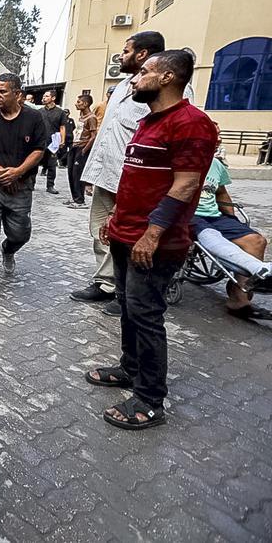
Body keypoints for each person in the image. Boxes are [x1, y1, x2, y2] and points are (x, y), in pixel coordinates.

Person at [87, 50, 217, 430]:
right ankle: (130, 369)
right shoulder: (148, 121)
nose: (134, 78)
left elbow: (186, 184)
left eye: (143, 71)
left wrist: (153, 232)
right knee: (129, 308)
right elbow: (136, 179)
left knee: (146, 315)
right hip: (126, 234)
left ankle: (149, 400)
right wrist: (115, 218)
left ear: (167, 77)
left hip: (155, 242)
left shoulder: (191, 123)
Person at [71, 32, 169, 312]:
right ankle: (106, 283)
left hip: (135, 180)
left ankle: (126, 294)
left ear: (142, 54)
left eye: (125, 51)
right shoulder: (125, 85)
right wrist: (92, 174)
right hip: (107, 174)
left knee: (129, 236)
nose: (120, 56)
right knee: (101, 231)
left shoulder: (162, 87)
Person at [0, 73, 48, 296]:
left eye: (2, 91)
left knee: (20, 233)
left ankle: (8, 249)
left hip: (21, 186)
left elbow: (39, 150)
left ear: (18, 94)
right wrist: (0, 172)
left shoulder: (34, 118)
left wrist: (18, 172)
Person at [191, 155, 272, 320]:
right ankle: (259, 269)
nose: (217, 141)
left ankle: (239, 299)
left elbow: (221, 193)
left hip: (214, 216)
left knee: (256, 241)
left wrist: (233, 221)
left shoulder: (215, 164)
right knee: (212, 236)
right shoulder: (177, 158)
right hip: (187, 213)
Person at [64, 94, 98, 208]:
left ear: (86, 104)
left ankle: (80, 200)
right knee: (71, 173)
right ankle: (75, 197)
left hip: (82, 148)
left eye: (79, 102)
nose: (76, 104)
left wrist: (84, 150)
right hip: (74, 146)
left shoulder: (91, 118)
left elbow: (93, 136)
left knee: (77, 173)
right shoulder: (81, 117)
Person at [37, 90, 66, 194]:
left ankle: (50, 186)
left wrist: (62, 140)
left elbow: (62, 127)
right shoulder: (39, 111)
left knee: (52, 165)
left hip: (53, 142)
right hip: (40, 141)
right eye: (43, 96)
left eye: (46, 96)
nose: (44, 98)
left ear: (53, 98)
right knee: (34, 163)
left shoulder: (60, 112)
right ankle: (31, 184)